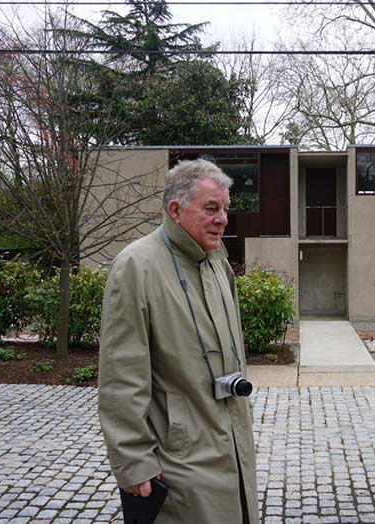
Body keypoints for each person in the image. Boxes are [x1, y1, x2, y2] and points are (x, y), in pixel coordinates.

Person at [98, 159, 258, 524]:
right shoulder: (136, 266)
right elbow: (121, 377)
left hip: (232, 448)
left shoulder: (218, 261)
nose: (223, 219)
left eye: (226, 209)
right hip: (178, 461)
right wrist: (134, 461)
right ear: (176, 209)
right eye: (211, 209)